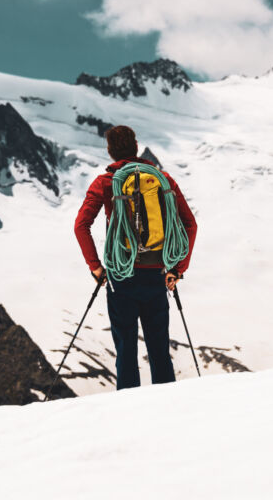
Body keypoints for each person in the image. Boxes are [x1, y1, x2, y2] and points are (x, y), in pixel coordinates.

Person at [74, 125, 197, 390]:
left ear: (110, 152)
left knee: (126, 353)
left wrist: (96, 267)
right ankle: (169, 409)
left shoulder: (106, 182)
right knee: (160, 352)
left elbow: (81, 226)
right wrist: (176, 269)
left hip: (121, 279)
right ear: (136, 146)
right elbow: (190, 224)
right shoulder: (162, 180)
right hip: (156, 275)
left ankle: (127, 416)